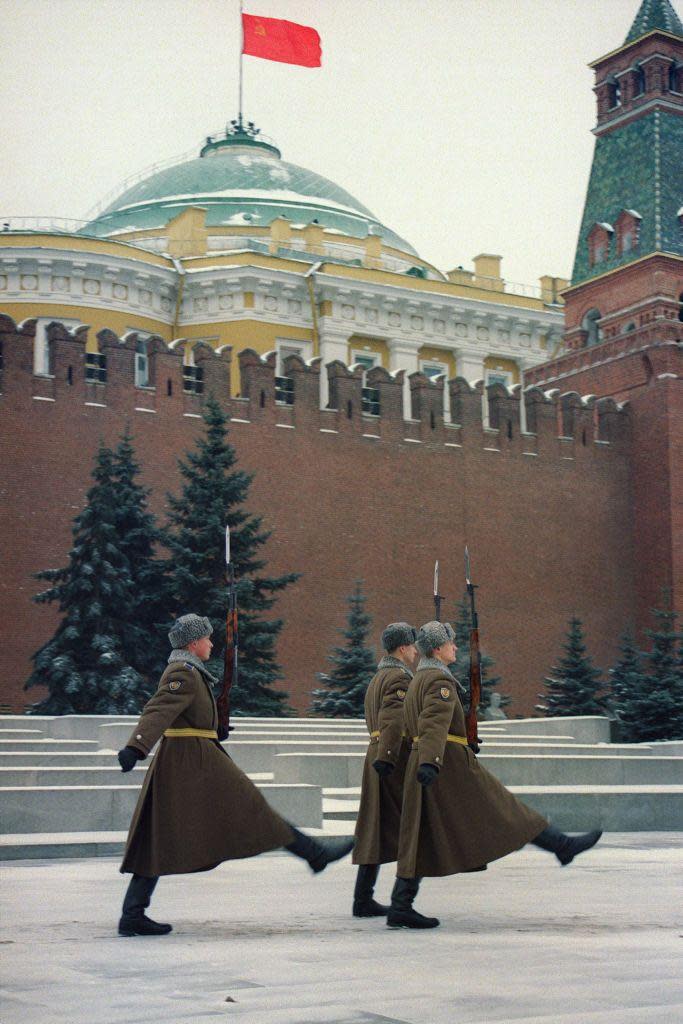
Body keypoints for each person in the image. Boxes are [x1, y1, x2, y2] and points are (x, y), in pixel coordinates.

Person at [117, 614, 353, 936]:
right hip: (191, 763)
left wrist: (216, 728)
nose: (212, 643)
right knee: (244, 809)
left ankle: (133, 913)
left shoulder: (193, 673)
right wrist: (137, 746)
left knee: (161, 833)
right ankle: (315, 854)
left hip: (198, 759)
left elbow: (190, 716)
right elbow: (158, 709)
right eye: (207, 638)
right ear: (192, 643)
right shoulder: (181, 672)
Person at [390, 620, 602, 930]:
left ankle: (401, 904)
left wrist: (459, 741)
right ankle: (562, 846)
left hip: (428, 764)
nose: (456, 648)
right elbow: (434, 723)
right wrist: (432, 762)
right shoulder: (439, 682)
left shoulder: (418, 680)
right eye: (451, 643)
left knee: (419, 834)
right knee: (506, 810)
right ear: (437, 649)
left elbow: (417, 727)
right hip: (448, 768)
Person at [352, 622, 418, 918]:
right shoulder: (398, 678)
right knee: (416, 826)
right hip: (392, 759)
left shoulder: (378, 677)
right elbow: (393, 720)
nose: (417, 652)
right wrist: (390, 758)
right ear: (403, 647)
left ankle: (362, 899)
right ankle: (403, 903)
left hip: (375, 755)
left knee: (374, 827)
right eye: (413, 646)